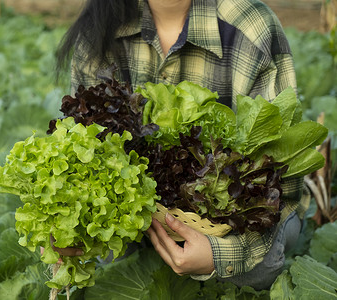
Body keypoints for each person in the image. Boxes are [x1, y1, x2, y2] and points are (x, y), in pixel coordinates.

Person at [53, 0, 309, 290]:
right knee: (105, 262)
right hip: (144, 218)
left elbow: (280, 191)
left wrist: (220, 256)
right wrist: (70, 219)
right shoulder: (99, 25)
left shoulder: (251, 26)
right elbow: (84, 150)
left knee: (249, 272)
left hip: (229, 223)